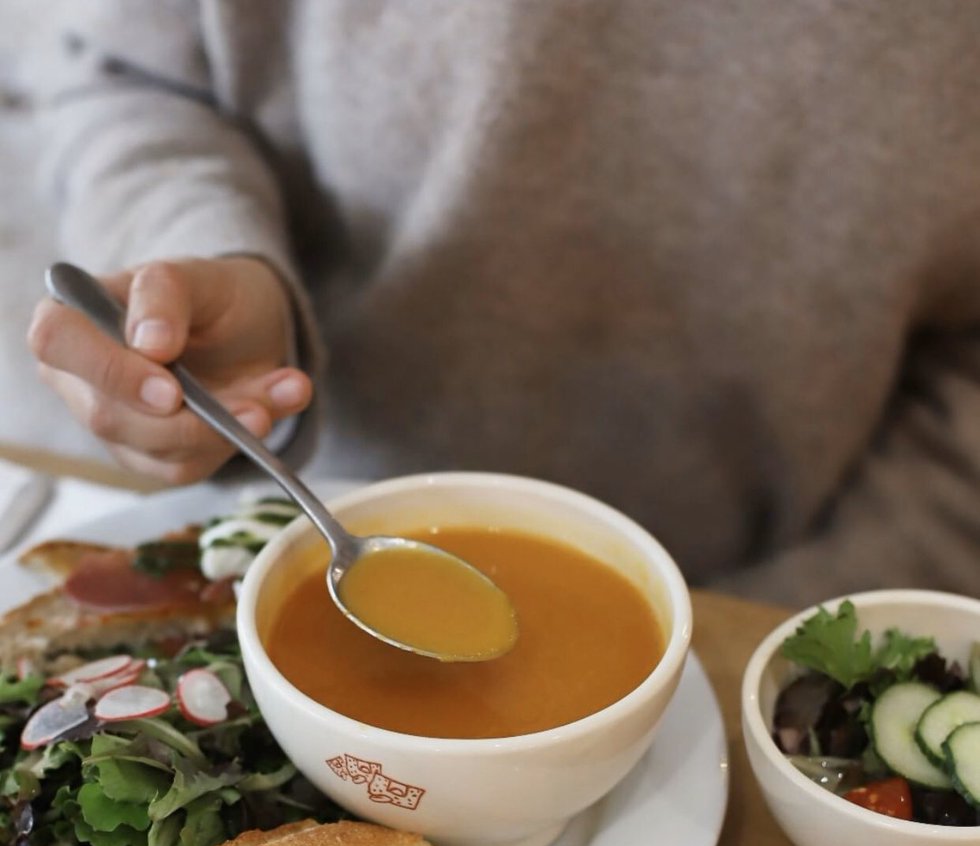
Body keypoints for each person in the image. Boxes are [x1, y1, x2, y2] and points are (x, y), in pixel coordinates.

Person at [25, 1, 980, 607]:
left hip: (785, 608)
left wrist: (792, 633)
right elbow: (127, 71)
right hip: (304, 532)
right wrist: (207, 259)